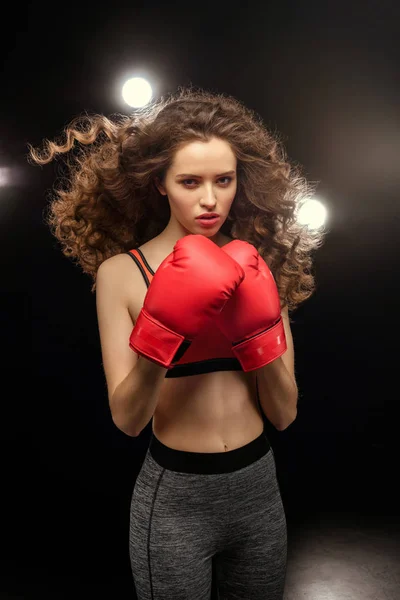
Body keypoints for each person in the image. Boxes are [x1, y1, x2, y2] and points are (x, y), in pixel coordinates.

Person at [28, 86, 325, 599]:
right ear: (161, 184)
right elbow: (128, 420)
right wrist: (164, 330)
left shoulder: (255, 267)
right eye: (190, 181)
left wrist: (259, 336)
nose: (210, 200)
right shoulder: (123, 275)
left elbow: (284, 413)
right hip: (176, 498)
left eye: (224, 181)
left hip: (257, 487)